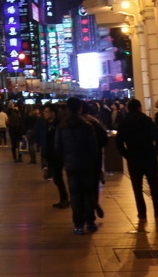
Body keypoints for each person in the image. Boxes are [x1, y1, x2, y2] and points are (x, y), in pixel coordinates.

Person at [53, 97, 104, 235]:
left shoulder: (61, 127)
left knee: (75, 194)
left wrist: (65, 160)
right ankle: (90, 221)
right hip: (86, 164)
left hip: (71, 165)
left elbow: (57, 148)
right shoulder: (87, 125)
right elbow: (93, 147)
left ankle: (78, 224)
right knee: (88, 192)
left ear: (68, 109)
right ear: (80, 108)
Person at [116, 99, 158, 221]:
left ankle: (142, 212)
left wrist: (126, 154)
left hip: (133, 157)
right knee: (153, 185)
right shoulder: (146, 120)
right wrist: (156, 150)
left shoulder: (124, 122)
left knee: (137, 188)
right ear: (139, 107)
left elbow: (119, 142)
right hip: (149, 155)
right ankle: (157, 209)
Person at [42, 103, 69, 209]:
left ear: (53, 113)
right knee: (57, 178)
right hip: (51, 154)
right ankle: (64, 199)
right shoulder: (47, 124)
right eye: (44, 112)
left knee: (58, 177)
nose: (44, 114)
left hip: (58, 154)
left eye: (46, 111)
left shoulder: (59, 124)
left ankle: (65, 199)